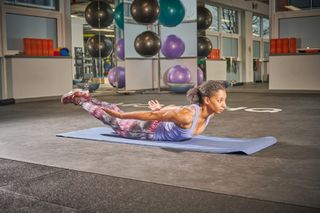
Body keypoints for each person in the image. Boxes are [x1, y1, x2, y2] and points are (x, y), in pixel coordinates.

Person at [61, 80, 227, 141]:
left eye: (224, 100)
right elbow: (153, 115)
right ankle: (78, 100)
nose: (223, 104)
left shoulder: (204, 113)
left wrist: (161, 109)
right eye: (219, 100)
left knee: (114, 111)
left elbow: (172, 111)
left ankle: (87, 98)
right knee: (113, 119)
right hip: (146, 130)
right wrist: (121, 115)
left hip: (154, 123)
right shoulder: (188, 115)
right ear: (206, 100)